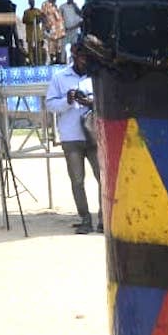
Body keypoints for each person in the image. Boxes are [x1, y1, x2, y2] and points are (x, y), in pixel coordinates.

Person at [45, 39, 101, 234]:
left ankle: (103, 219)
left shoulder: (96, 76)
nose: (86, 61)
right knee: (77, 181)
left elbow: (107, 100)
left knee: (102, 179)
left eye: (88, 57)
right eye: (82, 57)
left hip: (94, 135)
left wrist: (91, 102)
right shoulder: (60, 77)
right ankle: (85, 220)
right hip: (71, 137)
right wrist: (67, 101)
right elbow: (50, 105)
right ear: (74, 57)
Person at [41, 0, 65, 65]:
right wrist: (46, 25)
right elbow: (43, 15)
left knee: (59, 48)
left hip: (59, 31)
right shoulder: (45, 4)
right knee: (51, 47)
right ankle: (52, 62)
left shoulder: (55, 5)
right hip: (51, 30)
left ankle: (58, 62)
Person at [21, 0, 43, 65]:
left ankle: (40, 63)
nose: (32, 2)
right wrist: (30, 21)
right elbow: (24, 20)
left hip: (37, 32)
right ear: (29, 3)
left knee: (39, 48)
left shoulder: (38, 10)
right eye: (31, 1)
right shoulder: (26, 12)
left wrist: (38, 19)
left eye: (33, 1)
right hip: (30, 32)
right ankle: (31, 62)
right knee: (30, 48)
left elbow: (41, 19)